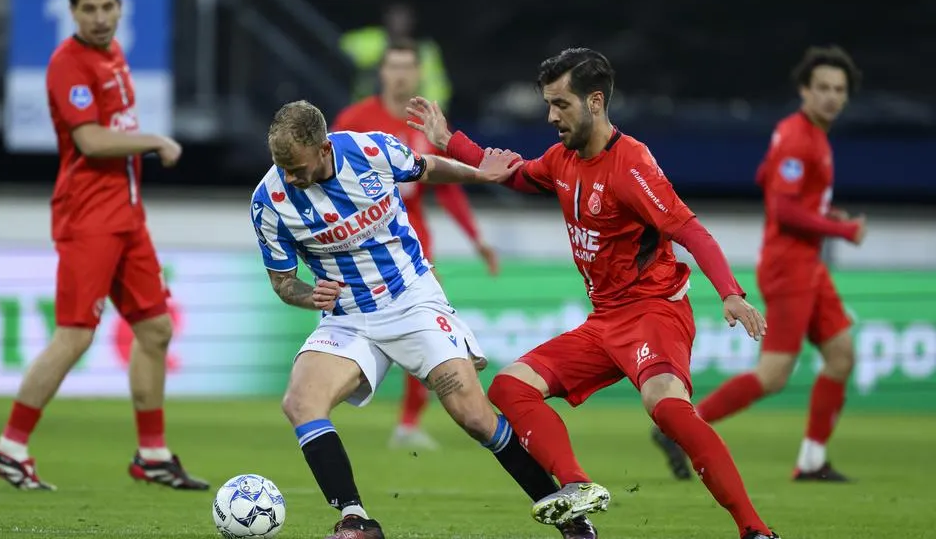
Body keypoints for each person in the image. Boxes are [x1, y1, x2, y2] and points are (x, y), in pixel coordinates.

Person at [407, 48, 780, 539]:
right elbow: (514, 173)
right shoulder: (562, 160)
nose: (551, 116)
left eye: (561, 104)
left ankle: (755, 530)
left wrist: (730, 293)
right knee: (510, 387)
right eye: (548, 104)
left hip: (653, 312)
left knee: (667, 408)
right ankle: (577, 486)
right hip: (604, 321)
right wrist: (449, 141)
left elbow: (689, 229)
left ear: (596, 102)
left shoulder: (632, 165)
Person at [252, 100, 597, 539]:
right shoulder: (269, 202)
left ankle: (568, 516)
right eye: (282, 168)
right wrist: (308, 295)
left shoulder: (371, 151)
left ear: (324, 149)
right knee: (300, 403)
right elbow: (283, 283)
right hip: (348, 317)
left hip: (412, 300)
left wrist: (480, 174)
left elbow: (426, 168)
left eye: (297, 169)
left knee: (474, 415)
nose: (290, 178)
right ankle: (356, 520)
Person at [0, 0, 207, 491]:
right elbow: (91, 141)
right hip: (88, 217)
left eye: (108, 6)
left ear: (120, 6)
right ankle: (10, 447)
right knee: (75, 334)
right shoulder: (68, 64)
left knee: (155, 328)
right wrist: (156, 140)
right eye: (89, 8)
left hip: (126, 215)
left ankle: (153, 455)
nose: (100, 17)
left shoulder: (113, 54)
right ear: (73, 10)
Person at [652, 45, 865, 483]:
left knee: (841, 354)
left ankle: (811, 461)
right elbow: (783, 209)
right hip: (789, 268)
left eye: (839, 89)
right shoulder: (798, 137)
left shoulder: (806, 135)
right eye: (823, 87)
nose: (831, 96)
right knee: (773, 375)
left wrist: (822, 212)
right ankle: (682, 427)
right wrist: (840, 228)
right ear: (804, 90)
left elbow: (765, 176)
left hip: (809, 266)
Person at [332, 39, 499, 450]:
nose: (401, 75)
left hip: (413, 245)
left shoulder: (426, 123)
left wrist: (476, 238)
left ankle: (409, 421)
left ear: (419, 73)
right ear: (382, 73)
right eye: (394, 66)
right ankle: (327, 397)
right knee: (365, 327)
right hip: (361, 247)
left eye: (408, 67)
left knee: (427, 323)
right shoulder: (354, 120)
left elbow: (448, 187)